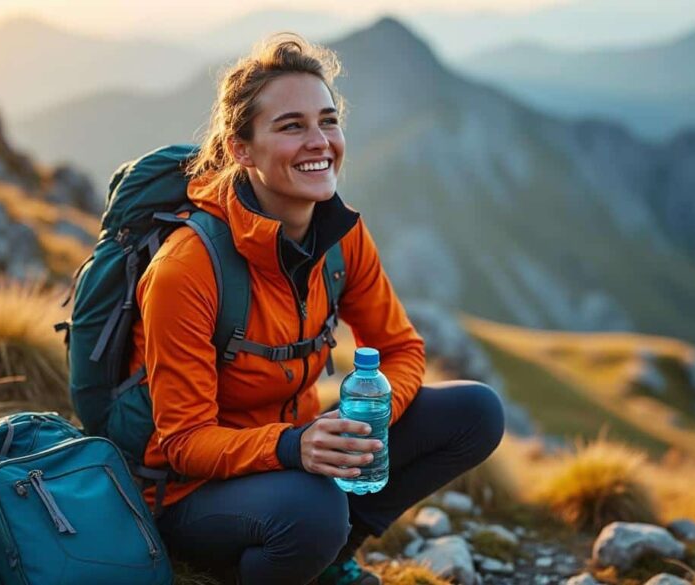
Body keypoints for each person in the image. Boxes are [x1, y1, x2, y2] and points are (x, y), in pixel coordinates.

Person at [128, 32, 506, 585]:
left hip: (301, 452)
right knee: (314, 512)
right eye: (291, 126)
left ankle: (329, 561)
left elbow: (402, 348)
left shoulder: (340, 235)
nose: (319, 142)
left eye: (328, 121)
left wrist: (367, 418)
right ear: (241, 149)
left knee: (477, 413)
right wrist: (292, 446)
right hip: (191, 493)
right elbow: (184, 443)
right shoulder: (187, 268)